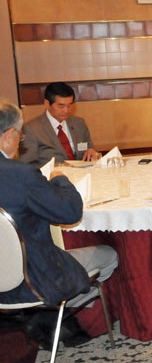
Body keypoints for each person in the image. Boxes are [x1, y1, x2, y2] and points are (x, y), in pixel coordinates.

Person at [0, 99, 118, 347]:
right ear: (9, 134)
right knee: (109, 256)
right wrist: (59, 180)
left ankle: (46, 318)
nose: (19, 142)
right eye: (20, 136)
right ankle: (52, 317)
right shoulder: (20, 174)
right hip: (32, 281)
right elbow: (70, 214)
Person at [19, 82, 99, 165]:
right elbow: (27, 165)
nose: (66, 110)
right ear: (47, 104)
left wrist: (91, 151)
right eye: (61, 106)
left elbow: (90, 150)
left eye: (70, 105)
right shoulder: (31, 129)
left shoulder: (79, 123)